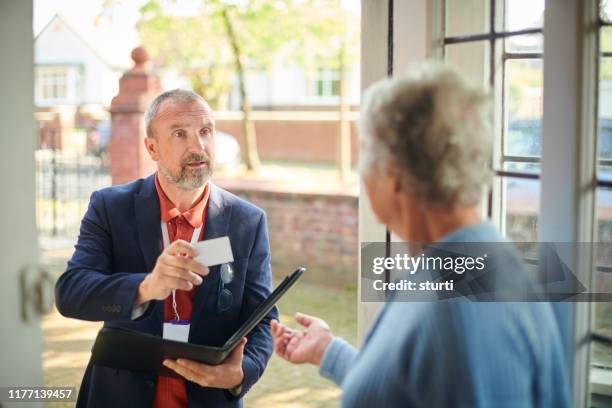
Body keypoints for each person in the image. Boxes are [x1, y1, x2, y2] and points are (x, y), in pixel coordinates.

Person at [271, 64, 570, 407]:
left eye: (365, 153)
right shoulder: (470, 263)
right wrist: (327, 351)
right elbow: (415, 388)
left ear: (394, 174)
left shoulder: (456, 310)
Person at [55, 89, 276, 408]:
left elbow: (262, 319)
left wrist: (241, 373)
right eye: (179, 134)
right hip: (120, 397)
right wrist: (146, 287)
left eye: (205, 131)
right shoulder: (110, 208)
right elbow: (71, 293)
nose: (197, 146)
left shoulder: (247, 222)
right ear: (152, 148)